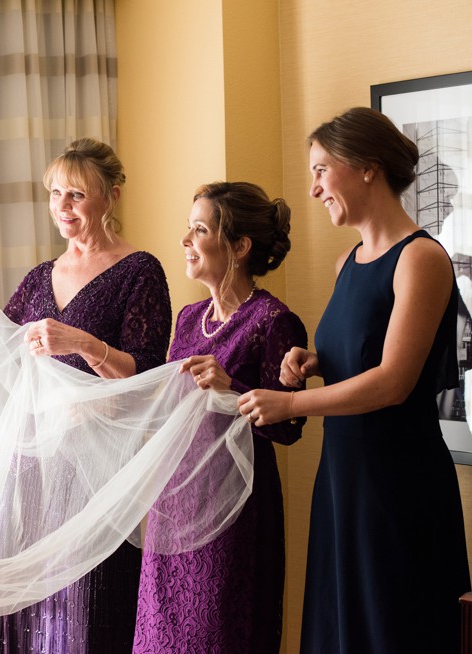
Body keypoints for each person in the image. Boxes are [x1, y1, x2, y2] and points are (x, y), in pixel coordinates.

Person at [238, 107, 472, 653]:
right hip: (344, 480)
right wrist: (314, 358)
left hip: (398, 486)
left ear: (368, 167)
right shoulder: (347, 261)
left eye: (322, 169)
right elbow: (364, 349)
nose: (314, 187)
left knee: (392, 627)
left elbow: (392, 381)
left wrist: (294, 404)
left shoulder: (421, 259)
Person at [0, 137, 172, 653]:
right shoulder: (38, 278)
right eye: (54, 194)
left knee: (90, 610)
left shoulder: (140, 271)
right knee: (32, 611)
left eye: (76, 195)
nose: (62, 209)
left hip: (98, 473)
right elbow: (0, 356)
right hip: (33, 470)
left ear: (111, 196)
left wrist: (84, 344)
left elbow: (148, 378)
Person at [132, 182, 306, 653]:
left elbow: (289, 426)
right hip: (176, 501)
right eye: (188, 229)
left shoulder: (273, 320)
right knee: (162, 635)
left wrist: (234, 388)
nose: (186, 241)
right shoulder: (188, 318)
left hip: (236, 509)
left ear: (239, 245)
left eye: (200, 229)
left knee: (219, 633)